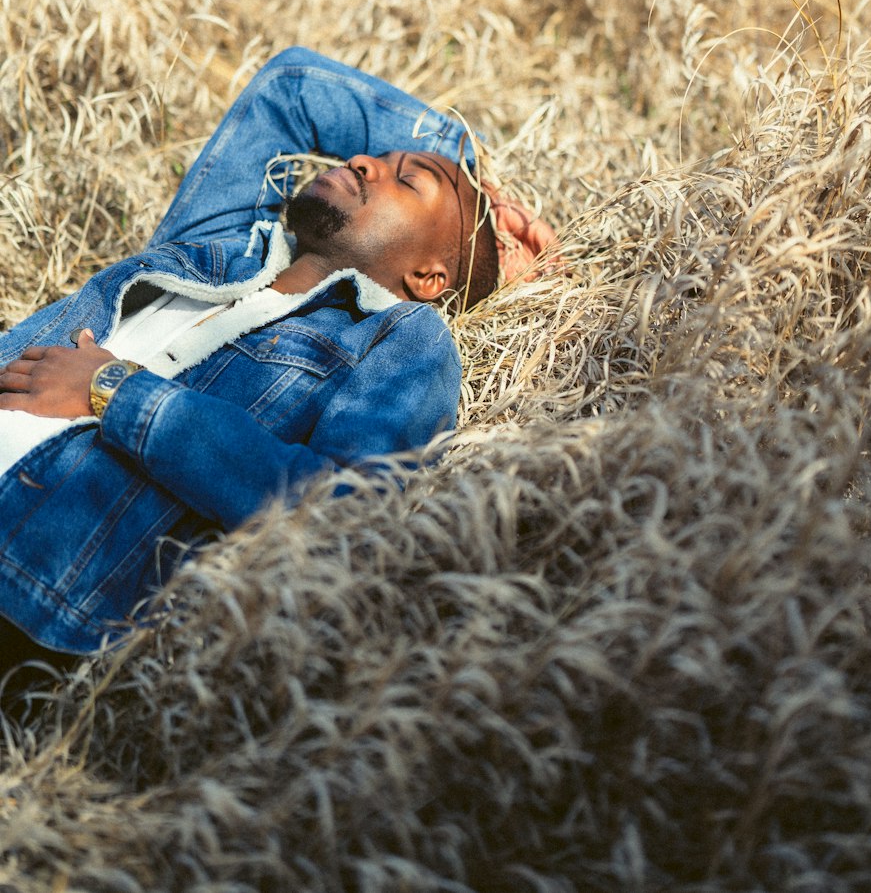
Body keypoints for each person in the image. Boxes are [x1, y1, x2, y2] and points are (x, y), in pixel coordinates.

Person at [0, 48, 556, 670]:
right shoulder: (225, 240)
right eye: (378, 158)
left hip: (25, 582)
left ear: (429, 276)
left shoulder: (405, 342)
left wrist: (114, 392)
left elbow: (338, 514)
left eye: (407, 180)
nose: (363, 161)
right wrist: (472, 168)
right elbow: (291, 89)